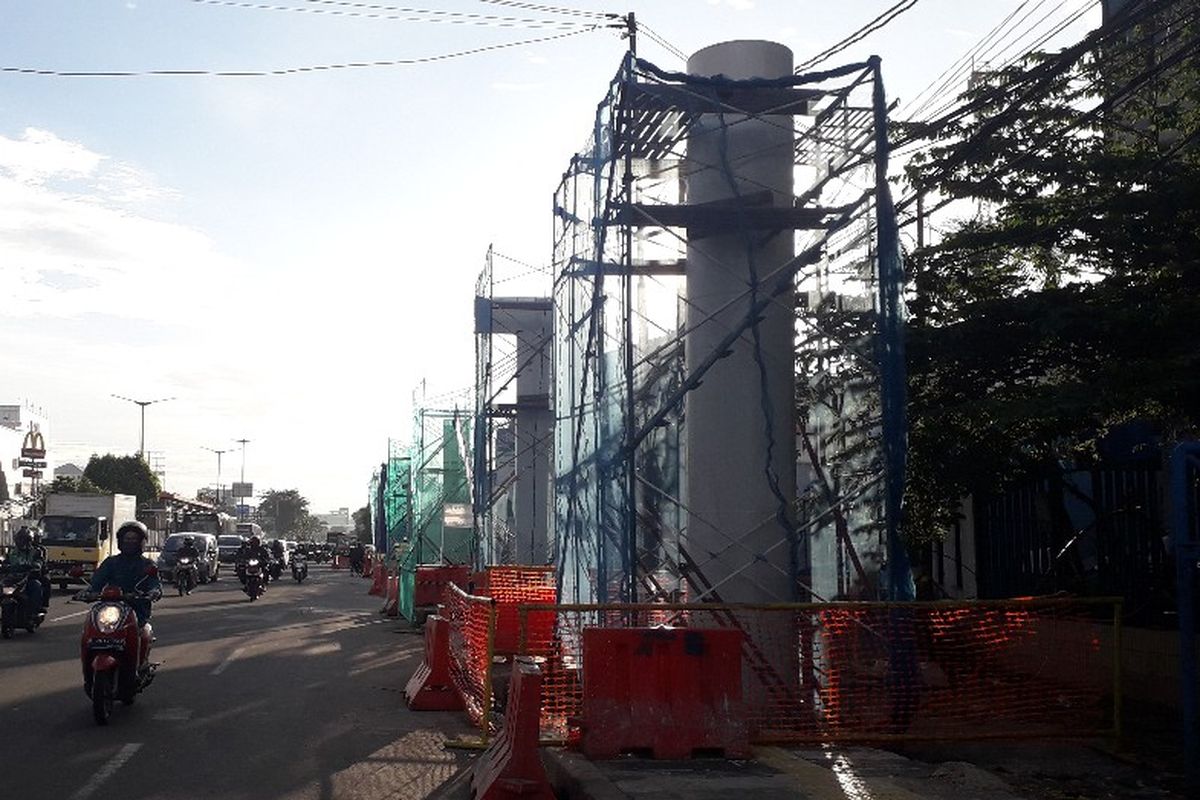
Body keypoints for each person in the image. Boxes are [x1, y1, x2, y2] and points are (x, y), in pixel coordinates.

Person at [86, 521, 162, 627]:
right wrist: (89, 592)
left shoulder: (147, 565)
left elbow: (154, 583)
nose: (130, 542)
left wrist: (153, 592)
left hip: (137, 609)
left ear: (141, 542)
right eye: (127, 539)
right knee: (91, 626)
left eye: (134, 539)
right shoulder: (111, 562)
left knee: (143, 634)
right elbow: (97, 580)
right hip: (110, 608)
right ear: (121, 541)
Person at [3, 527, 47, 612]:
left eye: (24, 539)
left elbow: (39, 561)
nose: (21, 542)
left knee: (36, 586)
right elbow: (6, 561)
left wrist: (36, 566)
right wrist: (4, 566)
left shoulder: (36, 551)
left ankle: (34, 611)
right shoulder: (12, 552)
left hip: (28, 577)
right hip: (12, 578)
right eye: (19, 539)